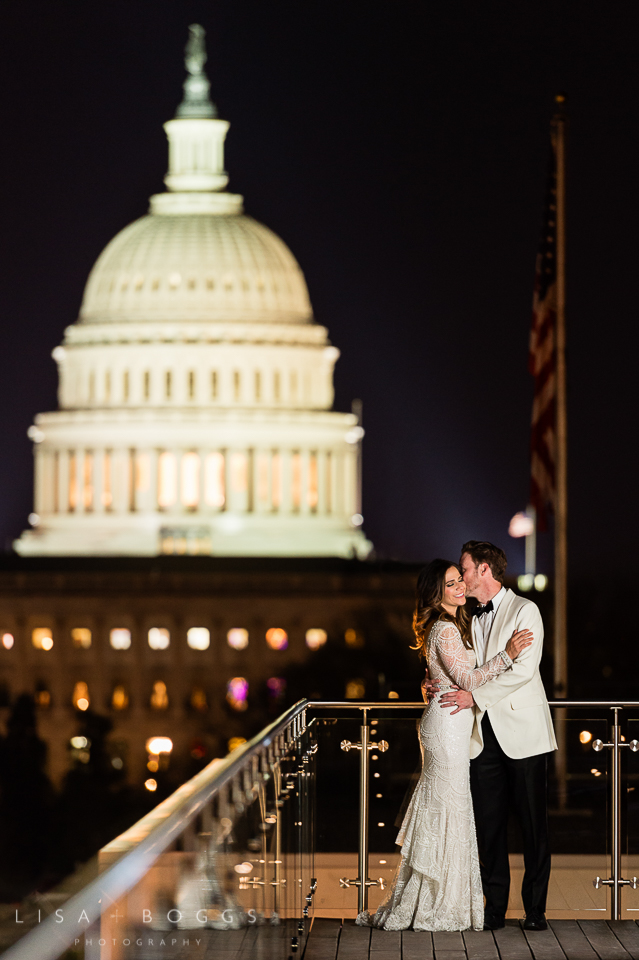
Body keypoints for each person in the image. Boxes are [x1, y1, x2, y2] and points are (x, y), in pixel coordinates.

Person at [356, 558, 532, 932]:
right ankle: (435, 902)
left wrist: (429, 683)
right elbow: (467, 678)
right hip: (447, 726)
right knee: (448, 807)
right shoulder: (446, 629)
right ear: (438, 593)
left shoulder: (449, 627)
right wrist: (509, 655)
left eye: (459, 581)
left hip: (448, 723)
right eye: (451, 584)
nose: (459, 588)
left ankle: (437, 897)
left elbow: (443, 674)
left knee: (448, 808)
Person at [438, 541, 557, 932]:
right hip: (482, 736)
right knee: (488, 827)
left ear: (484, 570)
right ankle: (494, 910)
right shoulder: (471, 618)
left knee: (532, 826)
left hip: (524, 735)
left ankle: (535, 911)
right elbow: (471, 667)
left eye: (465, 569)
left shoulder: (526, 610)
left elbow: (524, 671)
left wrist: (475, 696)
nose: (461, 576)